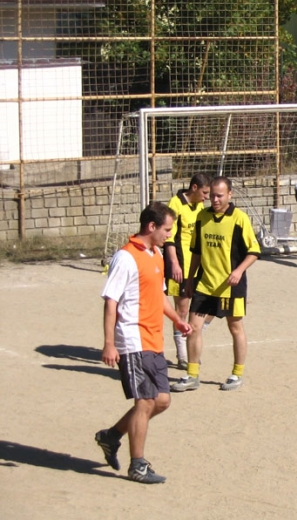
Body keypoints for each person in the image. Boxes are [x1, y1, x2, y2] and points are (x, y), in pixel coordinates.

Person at [95, 202, 192, 484]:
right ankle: (137, 465)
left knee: (161, 401)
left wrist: (177, 319)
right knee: (145, 401)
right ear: (151, 226)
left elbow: (159, 295)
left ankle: (111, 435)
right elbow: (111, 302)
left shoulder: (156, 254)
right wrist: (109, 343)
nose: (169, 235)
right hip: (133, 339)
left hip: (153, 339)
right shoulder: (125, 258)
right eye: (167, 229)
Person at [171, 176, 261, 392]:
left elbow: (254, 251)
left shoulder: (239, 219)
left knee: (235, 328)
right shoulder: (202, 217)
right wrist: (190, 280)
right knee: (193, 328)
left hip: (230, 287)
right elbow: (196, 252)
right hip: (204, 285)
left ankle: (237, 374)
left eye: (219, 195)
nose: (215, 200)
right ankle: (192, 375)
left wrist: (238, 271)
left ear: (230, 194)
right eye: (212, 195)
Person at [164, 173, 211, 370]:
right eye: (205, 193)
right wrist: (174, 264)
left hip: (199, 264)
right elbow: (169, 238)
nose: (207, 197)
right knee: (182, 310)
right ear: (194, 188)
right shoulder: (175, 204)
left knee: (209, 306)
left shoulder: (200, 206)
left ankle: (193, 337)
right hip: (181, 264)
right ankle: (183, 354)